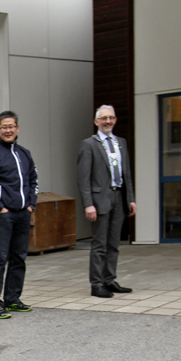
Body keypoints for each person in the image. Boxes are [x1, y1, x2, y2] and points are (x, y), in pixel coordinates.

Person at [0, 110, 38, 319]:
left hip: (23, 214)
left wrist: (31, 205)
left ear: (17, 128)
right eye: (4, 127)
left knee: (19, 258)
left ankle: (12, 299)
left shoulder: (25, 154)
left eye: (12, 126)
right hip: (4, 216)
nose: (8, 130)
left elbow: (32, 182)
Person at [77, 105, 136, 298]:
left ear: (115, 120)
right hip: (99, 199)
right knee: (99, 244)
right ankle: (96, 284)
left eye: (111, 117)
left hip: (118, 197)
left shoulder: (121, 142)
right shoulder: (89, 144)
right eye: (104, 118)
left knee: (114, 243)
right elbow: (83, 178)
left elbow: (126, 173)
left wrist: (131, 199)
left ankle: (109, 280)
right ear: (96, 122)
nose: (108, 121)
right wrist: (88, 204)